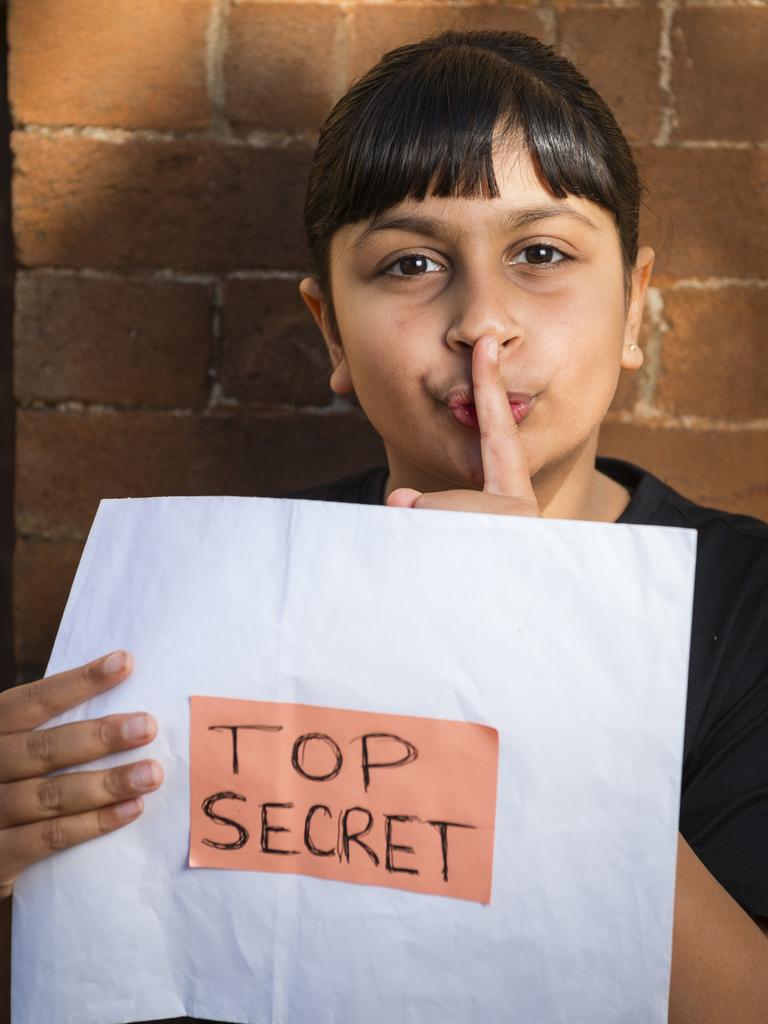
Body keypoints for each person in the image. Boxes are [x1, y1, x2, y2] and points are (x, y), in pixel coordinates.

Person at [1, 28, 767, 1024]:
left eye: (541, 253)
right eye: (409, 263)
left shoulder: (749, 609)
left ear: (633, 310)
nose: (482, 320)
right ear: (330, 330)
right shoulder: (215, 599)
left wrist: (535, 656)